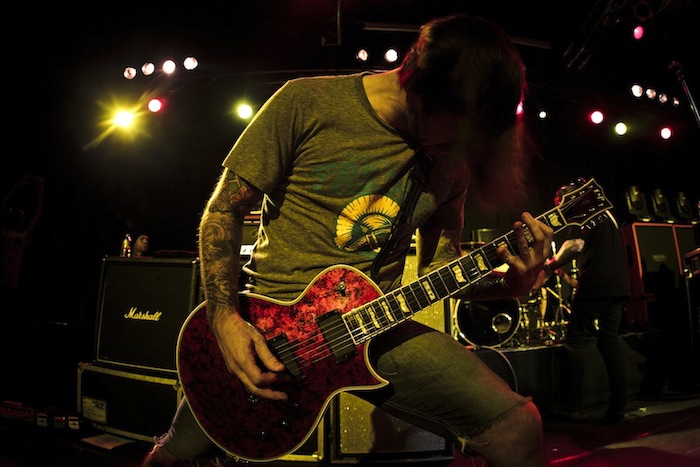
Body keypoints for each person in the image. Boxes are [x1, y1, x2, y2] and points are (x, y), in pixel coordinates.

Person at [144, 14, 553, 467]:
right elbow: (224, 210)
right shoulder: (306, 103)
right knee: (174, 454)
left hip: (375, 328)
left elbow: (439, 268)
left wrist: (510, 284)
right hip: (273, 331)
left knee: (518, 427)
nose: (466, 144)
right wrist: (224, 319)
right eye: (461, 127)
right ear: (421, 89)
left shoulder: (450, 165)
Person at [543, 180, 631, 425]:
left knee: (574, 341)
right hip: (619, 284)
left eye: (560, 204)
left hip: (596, 284)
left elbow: (575, 245)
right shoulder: (608, 214)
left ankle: (571, 407)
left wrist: (550, 266)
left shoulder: (582, 211)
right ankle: (618, 408)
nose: (560, 210)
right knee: (609, 341)